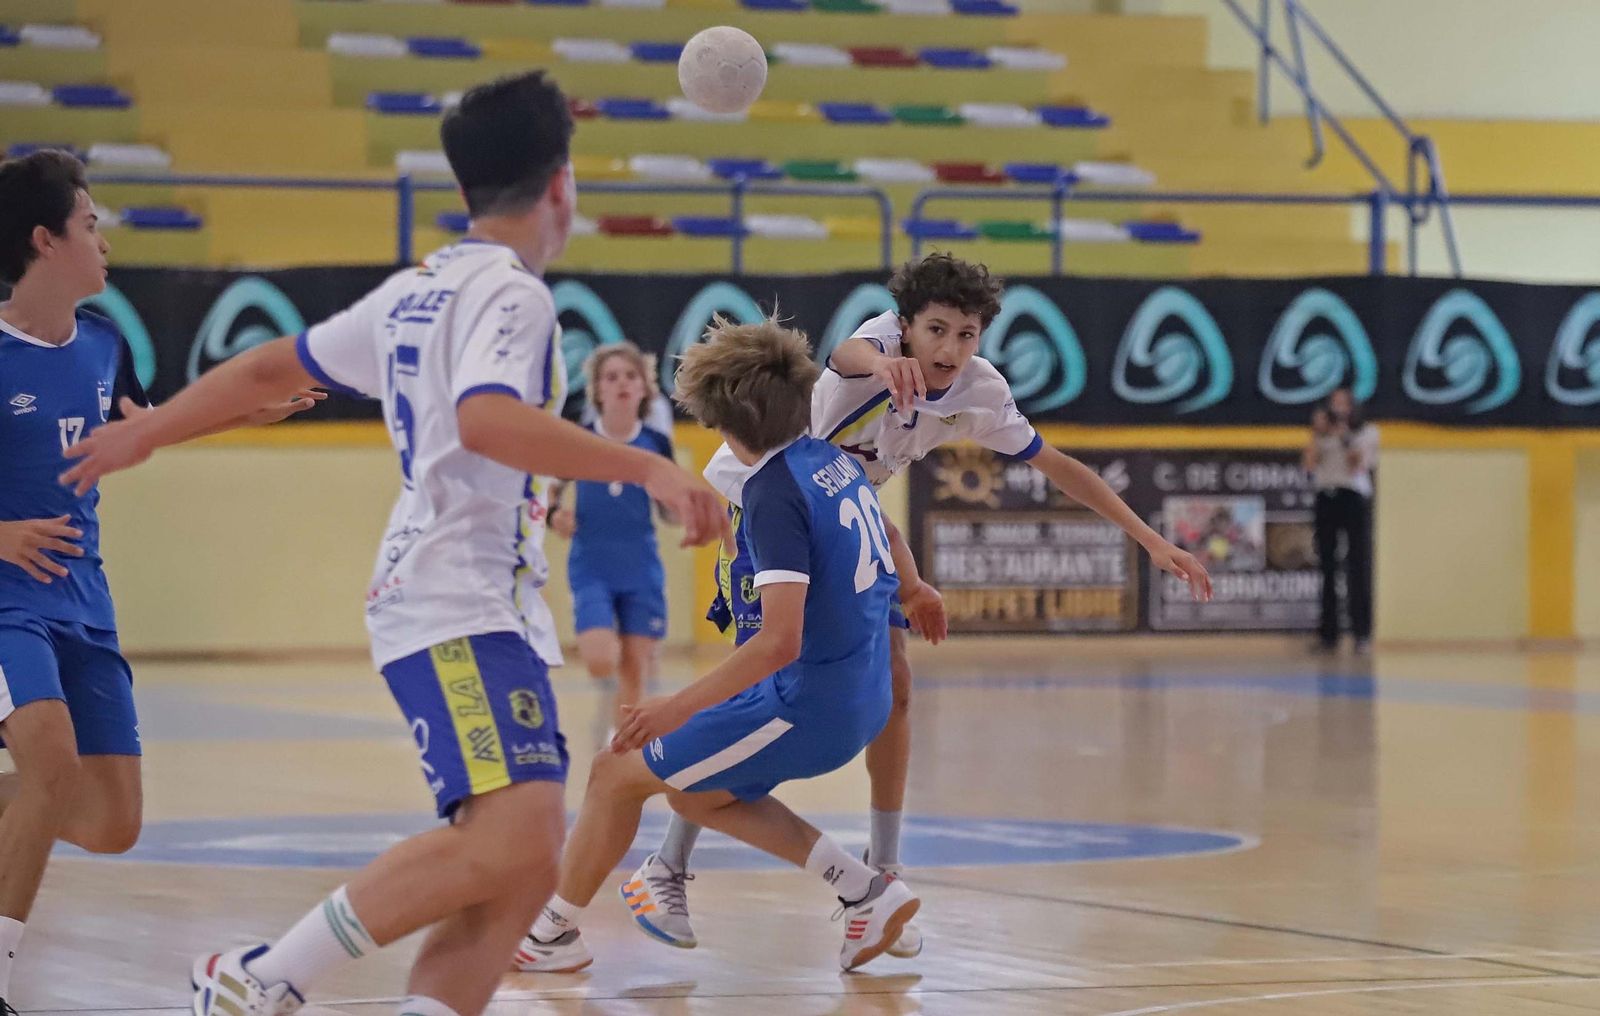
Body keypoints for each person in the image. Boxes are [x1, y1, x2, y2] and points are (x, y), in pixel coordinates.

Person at [60, 72, 726, 1016]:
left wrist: (147, 432)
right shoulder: (514, 296)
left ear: (463, 187)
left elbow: (267, 366)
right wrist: (648, 466)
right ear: (561, 185)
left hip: (482, 600)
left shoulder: (418, 289)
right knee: (513, 840)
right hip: (453, 597)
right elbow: (487, 418)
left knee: (529, 860)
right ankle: (261, 975)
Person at [546, 252, 1215, 962]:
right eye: (936, 330)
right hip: (765, 512)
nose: (950, 348)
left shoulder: (980, 389)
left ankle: (882, 875)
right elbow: (844, 353)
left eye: (967, 334)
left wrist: (1149, 539)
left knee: (894, 684)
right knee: (761, 690)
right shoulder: (871, 357)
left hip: (850, 518)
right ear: (905, 327)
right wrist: (880, 361)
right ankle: (672, 864)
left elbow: (1059, 467)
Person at [0, 149, 320, 1014]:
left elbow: (144, 427)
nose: (104, 240)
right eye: (90, 224)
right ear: (44, 240)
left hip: (84, 599)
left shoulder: (103, 344)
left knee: (112, 820)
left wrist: (248, 411)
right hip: (7, 601)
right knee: (50, 763)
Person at [514, 315, 920, 975]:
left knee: (615, 771)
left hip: (809, 703)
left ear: (722, 421)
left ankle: (550, 935)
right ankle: (861, 887)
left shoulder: (771, 491)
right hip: (865, 694)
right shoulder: (835, 462)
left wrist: (674, 707)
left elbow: (779, 641)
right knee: (695, 792)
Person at [548, 342, 675, 733]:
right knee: (600, 659)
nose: (622, 383)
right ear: (598, 389)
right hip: (592, 565)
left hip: (641, 565)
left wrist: (682, 508)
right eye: (611, 376)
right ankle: (614, 658)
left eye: (630, 376)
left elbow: (670, 510)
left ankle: (621, 746)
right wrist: (555, 515)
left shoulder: (656, 443)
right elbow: (550, 491)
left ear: (644, 388)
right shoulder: (580, 440)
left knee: (636, 671)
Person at [1304, 387, 1378, 654]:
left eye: (1343, 404)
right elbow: (1309, 465)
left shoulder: (1367, 432)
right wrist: (1318, 433)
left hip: (1353, 497)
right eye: (1334, 404)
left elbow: (1357, 463)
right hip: (1327, 496)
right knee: (1327, 565)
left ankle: (1362, 633)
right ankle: (1329, 634)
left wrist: (1344, 434)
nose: (1338, 409)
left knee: (1358, 564)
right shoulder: (1322, 434)